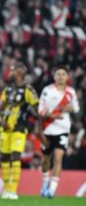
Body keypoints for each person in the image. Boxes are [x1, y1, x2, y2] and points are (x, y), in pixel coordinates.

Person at [0, 62, 39, 200]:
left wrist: (34, 114)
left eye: (14, 70)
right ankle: (7, 190)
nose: (11, 71)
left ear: (21, 72)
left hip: (19, 128)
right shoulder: (7, 89)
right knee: (4, 157)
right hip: (5, 128)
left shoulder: (28, 90)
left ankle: (13, 190)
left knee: (15, 156)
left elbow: (37, 108)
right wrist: (1, 120)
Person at [38, 66, 79, 198]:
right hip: (48, 128)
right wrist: (51, 115)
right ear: (54, 77)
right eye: (58, 74)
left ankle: (52, 190)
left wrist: (70, 108)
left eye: (63, 74)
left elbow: (77, 109)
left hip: (62, 129)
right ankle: (44, 184)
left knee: (58, 158)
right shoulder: (47, 90)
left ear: (67, 77)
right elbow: (40, 110)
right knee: (46, 159)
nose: (61, 76)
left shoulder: (71, 92)